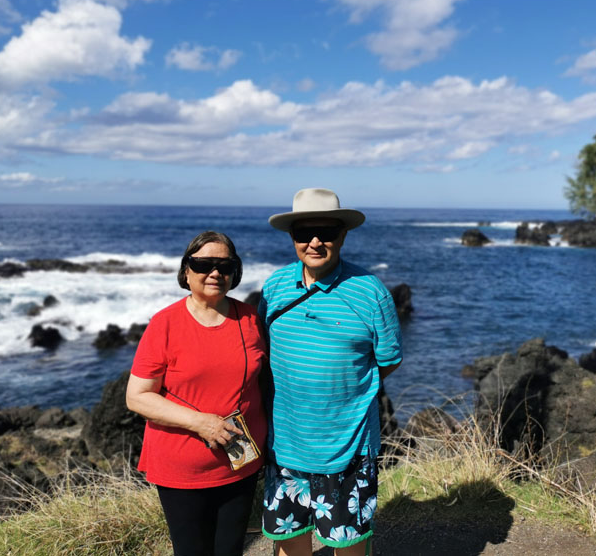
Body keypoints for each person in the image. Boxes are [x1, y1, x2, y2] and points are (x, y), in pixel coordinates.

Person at [259, 188, 402, 556]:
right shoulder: (275, 287)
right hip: (286, 444)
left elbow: (389, 359)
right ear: (292, 238)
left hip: (349, 446)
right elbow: (263, 345)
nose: (316, 242)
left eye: (327, 232)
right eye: (304, 234)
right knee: (290, 546)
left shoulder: (371, 293)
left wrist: (346, 391)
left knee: (349, 547)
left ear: (343, 235)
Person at [126, 231, 267, 556]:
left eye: (225, 265)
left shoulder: (250, 319)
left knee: (230, 550)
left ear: (236, 272)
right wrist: (200, 423)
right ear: (186, 271)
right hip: (183, 473)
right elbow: (137, 396)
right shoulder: (165, 324)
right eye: (204, 264)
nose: (215, 272)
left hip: (240, 462)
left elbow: (265, 382)